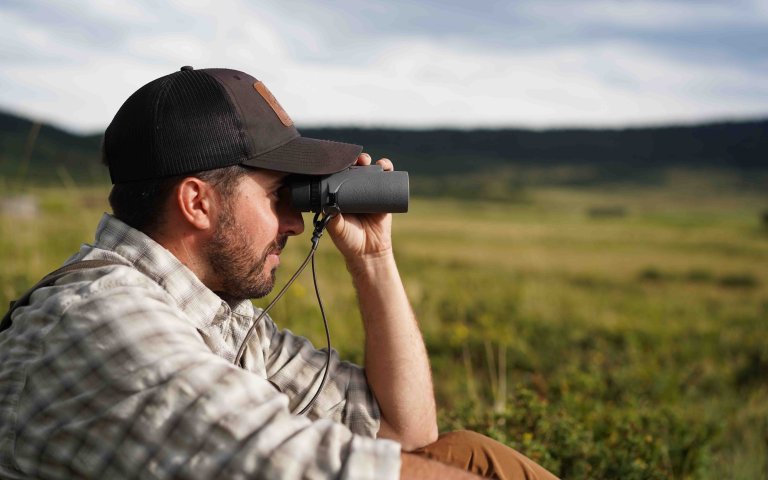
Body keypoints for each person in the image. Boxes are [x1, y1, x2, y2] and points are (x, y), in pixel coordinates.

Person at [0, 67, 558, 479]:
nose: (295, 220)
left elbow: (407, 434)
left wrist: (372, 258)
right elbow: (304, 469)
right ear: (197, 203)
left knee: (468, 453)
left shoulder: (216, 313)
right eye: (277, 193)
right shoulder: (104, 320)